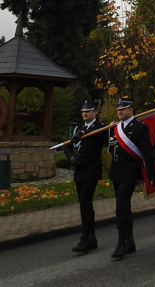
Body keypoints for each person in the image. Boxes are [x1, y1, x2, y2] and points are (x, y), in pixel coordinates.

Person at [108, 97, 155, 260]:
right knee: (123, 207)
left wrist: (151, 174)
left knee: (121, 206)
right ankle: (130, 241)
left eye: (123, 108)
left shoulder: (139, 127)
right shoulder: (116, 127)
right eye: (118, 109)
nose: (120, 111)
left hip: (130, 171)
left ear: (131, 109)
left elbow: (146, 152)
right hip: (116, 170)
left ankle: (121, 242)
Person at [63, 100, 108, 254]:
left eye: (88, 111)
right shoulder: (78, 128)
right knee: (84, 204)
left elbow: (109, 143)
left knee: (85, 202)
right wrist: (71, 158)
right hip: (79, 169)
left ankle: (85, 238)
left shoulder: (100, 128)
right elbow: (67, 147)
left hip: (91, 169)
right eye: (83, 111)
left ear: (95, 112)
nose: (85, 113)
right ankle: (91, 238)